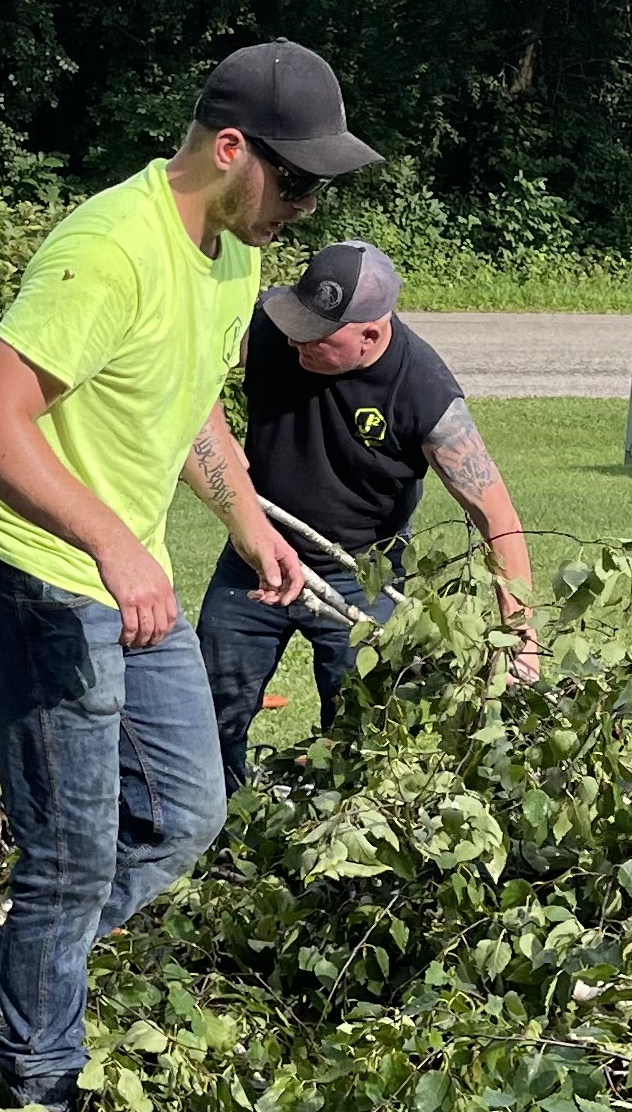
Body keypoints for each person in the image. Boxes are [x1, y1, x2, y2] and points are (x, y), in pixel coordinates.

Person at [0, 38, 383, 1112]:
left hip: (127, 588)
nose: (305, 204)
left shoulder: (228, 257)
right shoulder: (110, 249)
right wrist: (114, 546)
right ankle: (35, 1109)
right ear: (232, 150)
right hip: (37, 582)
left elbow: (183, 405)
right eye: (296, 179)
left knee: (188, 813)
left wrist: (250, 527)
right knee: (72, 854)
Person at [196, 237, 537, 791]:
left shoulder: (423, 391)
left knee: (357, 730)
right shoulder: (270, 327)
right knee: (213, 712)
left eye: (314, 336)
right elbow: (183, 367)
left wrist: (520, 640)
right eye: (293, 324)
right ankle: (217, 832)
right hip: (254, 559)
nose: (292, 339)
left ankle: (334, 848)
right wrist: (217, 436)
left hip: (358, 578)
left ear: (370, 335)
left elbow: (497, 516)